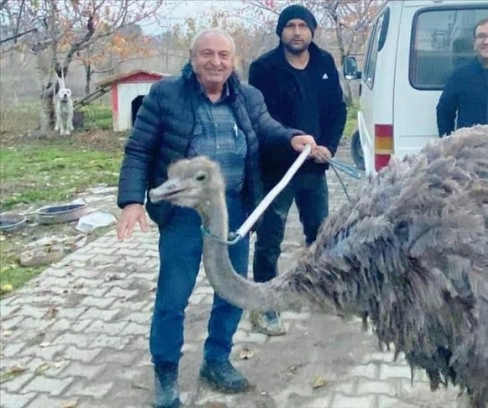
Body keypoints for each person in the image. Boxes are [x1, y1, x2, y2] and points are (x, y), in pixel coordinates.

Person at [115, 28, 316, 408]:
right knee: (173, 298)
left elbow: (266, 128)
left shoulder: (247, 95)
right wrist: (131, 201)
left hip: (233, 211)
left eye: (224, 55)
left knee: (232, 291)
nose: (216, 62)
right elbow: (139, 150)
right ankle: (166, 374)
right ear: (193, 58)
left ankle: (216, 360)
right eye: (208, 54)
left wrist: (292, 137)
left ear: (233, 61)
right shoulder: (166, 95)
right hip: (184, 214)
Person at [247, 5, 347, 336]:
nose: (296, 32)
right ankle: (265, 304)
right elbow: (260, 119)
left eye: (303, 25)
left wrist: (329, 147)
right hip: (277, 169)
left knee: (320, 233)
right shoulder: (263, 68)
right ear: (281, 32)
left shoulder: (325, 63)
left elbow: (336, 109)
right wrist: (289, 142)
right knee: (270, 236)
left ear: (312, 31)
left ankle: (321, 291)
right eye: (290, 25)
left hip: (314, 167)